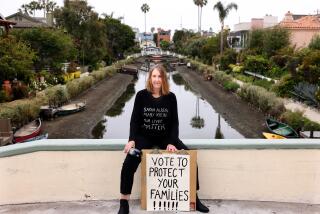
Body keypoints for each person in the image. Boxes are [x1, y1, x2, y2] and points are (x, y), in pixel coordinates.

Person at [118, 64, 209, 214]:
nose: (156, 79)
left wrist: (172, 142)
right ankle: (124, 202)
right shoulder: (141, 96)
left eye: (159, 76)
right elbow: (135, 120)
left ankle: (194, 197)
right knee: (129, 162)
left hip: (165, 138)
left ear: (164, 79)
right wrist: (132, 139)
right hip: (144, 137)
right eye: (154, 76)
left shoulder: (171, 97)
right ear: (150, 78)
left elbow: (174, 123)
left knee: (190, 160)